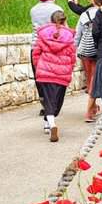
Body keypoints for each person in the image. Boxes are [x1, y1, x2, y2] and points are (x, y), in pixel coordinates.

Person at [32, 11, 76, 142]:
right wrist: (69, 68)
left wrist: (39, 66)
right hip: (62, 75)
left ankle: (49, 123)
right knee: (57, 102)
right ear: (64, 20)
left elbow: (36, 53)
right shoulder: (68, 37)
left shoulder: (43, 35)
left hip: (45, 73)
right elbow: (72, 56)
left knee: (48, 101)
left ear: (51, 21)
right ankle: (51, 124)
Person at [71, 0, 102, 122]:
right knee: (95, 81)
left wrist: (74, 50)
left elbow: (78, 34)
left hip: (85, 51)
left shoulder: (85, 15)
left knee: (91, 78)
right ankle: (89, 112)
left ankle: (93, 106)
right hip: (97, 50)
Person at [30, 0, 64, 119]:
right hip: (52, 46)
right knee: (53, 76)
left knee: (39, 76)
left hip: (36, 45)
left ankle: (44, 102)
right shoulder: (57, 9)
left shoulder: (33, 10)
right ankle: (52, 104)